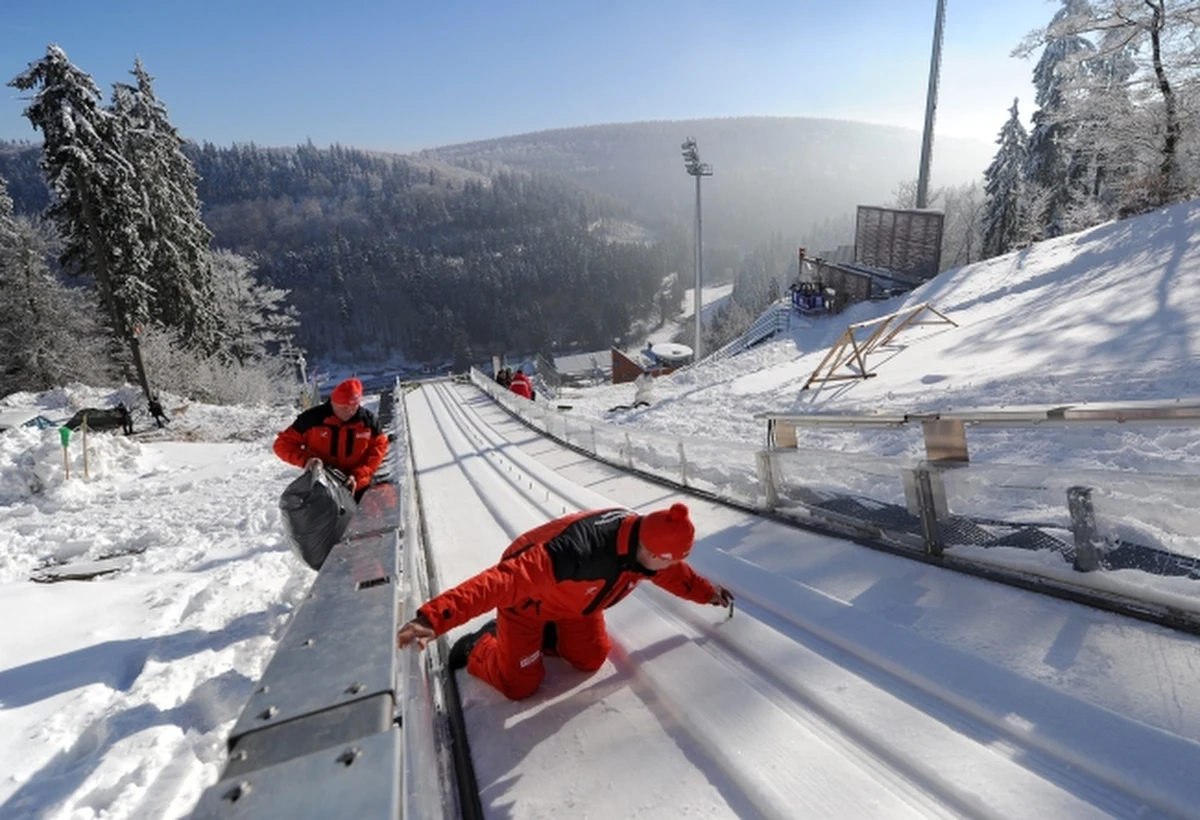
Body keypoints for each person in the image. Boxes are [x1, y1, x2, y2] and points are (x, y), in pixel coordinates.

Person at [395, 503, 734, 700]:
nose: (671, 567)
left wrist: (708, 593)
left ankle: (546, 637)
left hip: (577, 605)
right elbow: (503, 581)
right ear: (651, 552)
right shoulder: (579, 551)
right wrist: (435, 618)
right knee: (520, 685)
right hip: (527, 603)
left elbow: (675, 574)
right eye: (670, 561)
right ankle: (481, 645)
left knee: (591, 657)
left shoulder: (649, 546)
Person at [273, 377, 389, 502]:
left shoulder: (368, 421)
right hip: (321, 487)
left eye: (354, 407)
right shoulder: (311, 419)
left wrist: (358, 475)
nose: (349, 412)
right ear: (333, 403)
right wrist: (306, 460)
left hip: (357, 485)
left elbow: (379, 448)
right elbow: (282, 445)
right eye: (344, 407)